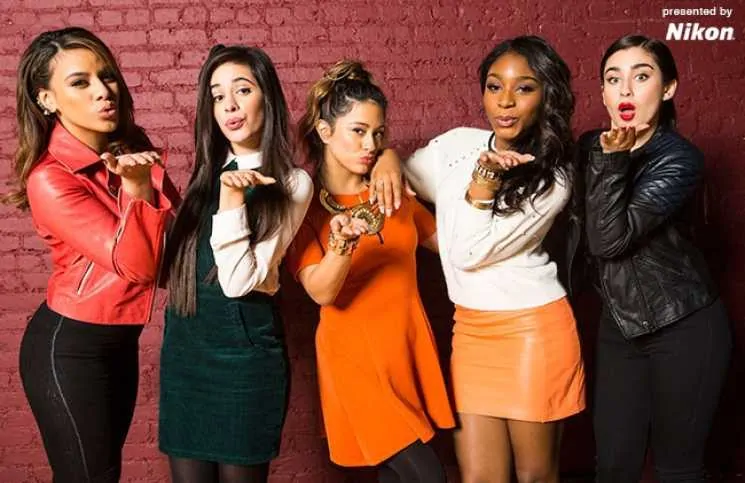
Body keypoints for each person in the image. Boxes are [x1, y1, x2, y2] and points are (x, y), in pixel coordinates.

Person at [371, 36, 585, 483]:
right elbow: (402, 175)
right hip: (469, 330)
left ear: (547, 95)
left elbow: (467, 252)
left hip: (531, 330)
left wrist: (484, 182)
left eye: (524, 88)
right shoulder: (457, 146)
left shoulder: (552, 178)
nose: (505, 101)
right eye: (494, 86)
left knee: (535, 477)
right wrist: (387, 158)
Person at [4, 27, 178, 482]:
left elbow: (174, 251)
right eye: (80, 82)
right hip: (70, 348)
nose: (103, 91)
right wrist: (138, 190)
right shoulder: (50, 178)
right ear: (47, 99)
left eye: (108, 76)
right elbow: (139, 266)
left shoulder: (132, 155)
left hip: (119, 344)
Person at [286, 60, 455, 483]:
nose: (370, 144)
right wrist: (342, 246)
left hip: (404, 351)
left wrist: (396, 161)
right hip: (354, 361)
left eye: (378, 134)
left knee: (396, 478)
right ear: (325, 131)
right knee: (429, 477)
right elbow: (321, 292)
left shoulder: (392, 192)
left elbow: (456, 248)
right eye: (358, 131)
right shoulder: (304, 208)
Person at [572, 34, 731, 483]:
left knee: (677, 470)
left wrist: (613, 161)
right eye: (613, 79)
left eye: (641, 77)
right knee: (613, 468)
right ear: (603, 92)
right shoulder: (588, 147)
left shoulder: (679, 158)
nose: (625, 90)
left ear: (668, 88)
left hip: (682, 326)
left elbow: (609, 240)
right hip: (620, 326)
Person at [158, 44, 313, 483]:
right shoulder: (204, 176)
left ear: (268, 97)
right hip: (186, 356)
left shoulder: (291, 183)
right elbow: (171, 273)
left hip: (244, 361)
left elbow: (238, 282)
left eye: (242, 90)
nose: (228, 104)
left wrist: (232, 201)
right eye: (217, 95)